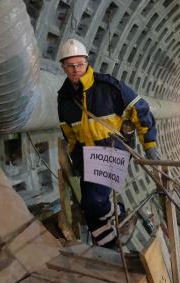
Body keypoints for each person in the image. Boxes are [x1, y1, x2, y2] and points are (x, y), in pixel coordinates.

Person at [57, 38, 159, 248]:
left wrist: (150, 146)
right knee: (87, 202)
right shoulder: (64, 98)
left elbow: (140, 109)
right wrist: (77, 161)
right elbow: (69, 132)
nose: (76, 70)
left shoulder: (108, 86)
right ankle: (107, 240)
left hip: (113, 149)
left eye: (80, 64)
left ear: (87, 62)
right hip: (87, 155)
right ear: (63, 67)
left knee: (95, 200)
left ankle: (117, 222)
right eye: (70, 66)